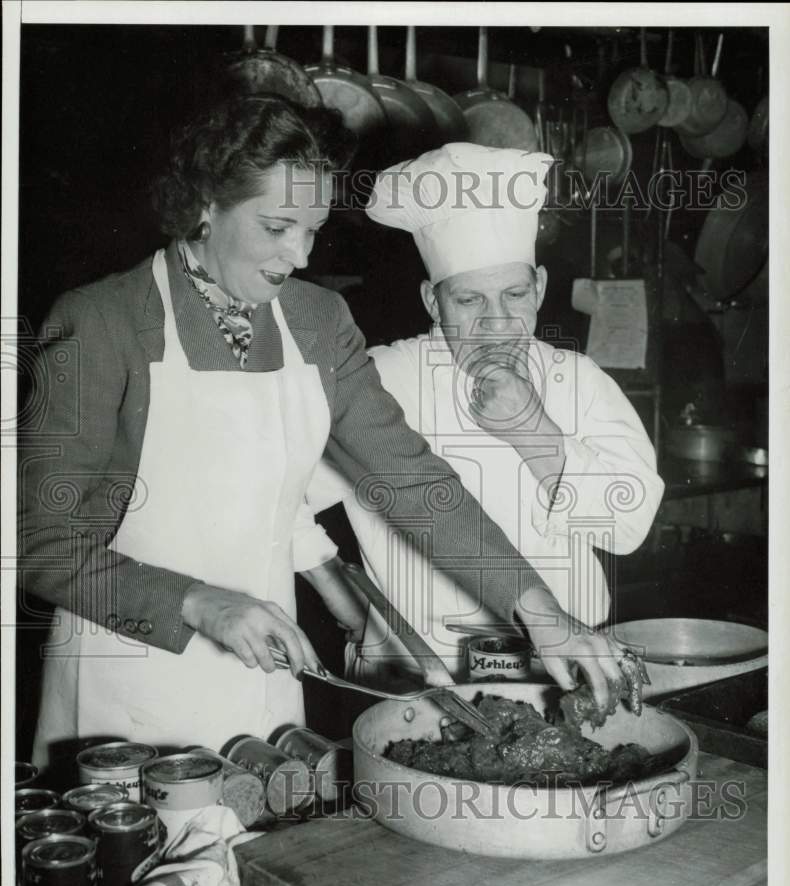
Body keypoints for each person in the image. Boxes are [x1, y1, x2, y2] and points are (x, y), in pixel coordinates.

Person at [20, 99, 633, 768]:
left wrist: (543, 617)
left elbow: (412, 479)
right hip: (126, 681)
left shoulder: (316, 319)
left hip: (270, 681)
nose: (299, 255)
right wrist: (196, 603)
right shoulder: (102, 322)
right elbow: (34, 538)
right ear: (203, 205)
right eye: (277, 226)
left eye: (312, 228)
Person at [304, 143, 665, 683]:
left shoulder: (579, 380)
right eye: (470, 301)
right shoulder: (380, 378)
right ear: (433, 301)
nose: (497, 322)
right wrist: (346, 605)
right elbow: (277, 501)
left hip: (566, 670)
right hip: (420, 673)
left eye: (515, 294)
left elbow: (630, 527)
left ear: (539, 287)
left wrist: (536, 434)